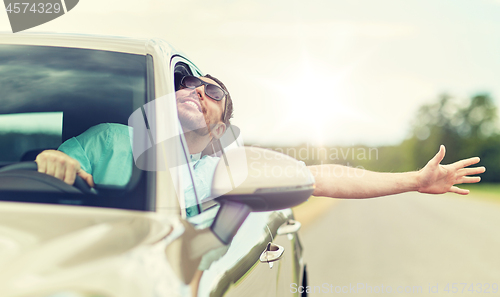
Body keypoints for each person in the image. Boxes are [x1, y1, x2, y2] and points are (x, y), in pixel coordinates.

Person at [35, 74, 485, 199]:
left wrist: (413, 180)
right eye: (187, 83)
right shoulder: (110, 139)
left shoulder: (217, 169)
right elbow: (55, 164)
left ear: (219, 130)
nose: (196, 90)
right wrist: (56, 166)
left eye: (213, 92)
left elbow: (319, 176)